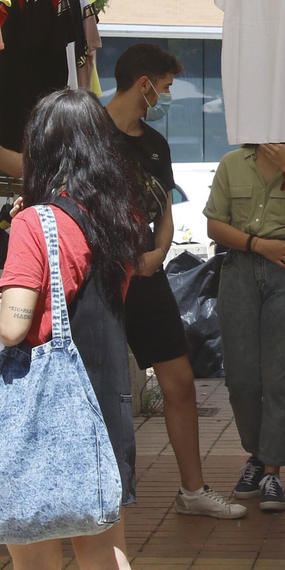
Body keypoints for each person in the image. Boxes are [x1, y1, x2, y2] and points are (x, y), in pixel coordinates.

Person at [0, 89, 150, 570]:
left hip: (46, 417)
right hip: (104, 408)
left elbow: (15, 324)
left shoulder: (36, 223)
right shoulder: (118, 220)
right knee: (109, 565)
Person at [104, 43, 245, 519]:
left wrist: (159, 252)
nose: (165, 97)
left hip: (146, 273)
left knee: (179, 380)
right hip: (97, 277)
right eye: (164, 88)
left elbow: (163, 211)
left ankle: (193, 490)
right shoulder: (88, 132)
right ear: (144, 84)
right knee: (96, 386)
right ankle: (87, 497)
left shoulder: (155, 144)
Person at [204, 139, 285, 512]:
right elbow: (214, 225)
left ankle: (271, 471)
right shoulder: (232, 161)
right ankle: (256, 456)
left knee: (279, 377)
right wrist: (257, 245)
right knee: (241, 378)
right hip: (240, 268)